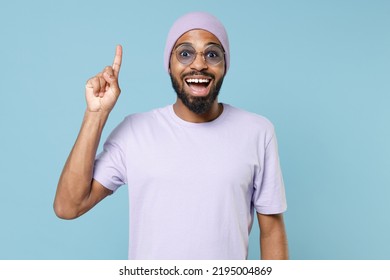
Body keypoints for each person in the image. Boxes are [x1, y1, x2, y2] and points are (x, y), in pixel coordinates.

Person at [54, 11, 288, 260]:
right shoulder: (135, 132)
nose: (199, 64)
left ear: (225, 66)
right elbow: (69, 206)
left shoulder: (257, 132)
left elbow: (272, 230)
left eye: (212, 54)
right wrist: (96, 114)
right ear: (169, 64)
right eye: (185, 53)